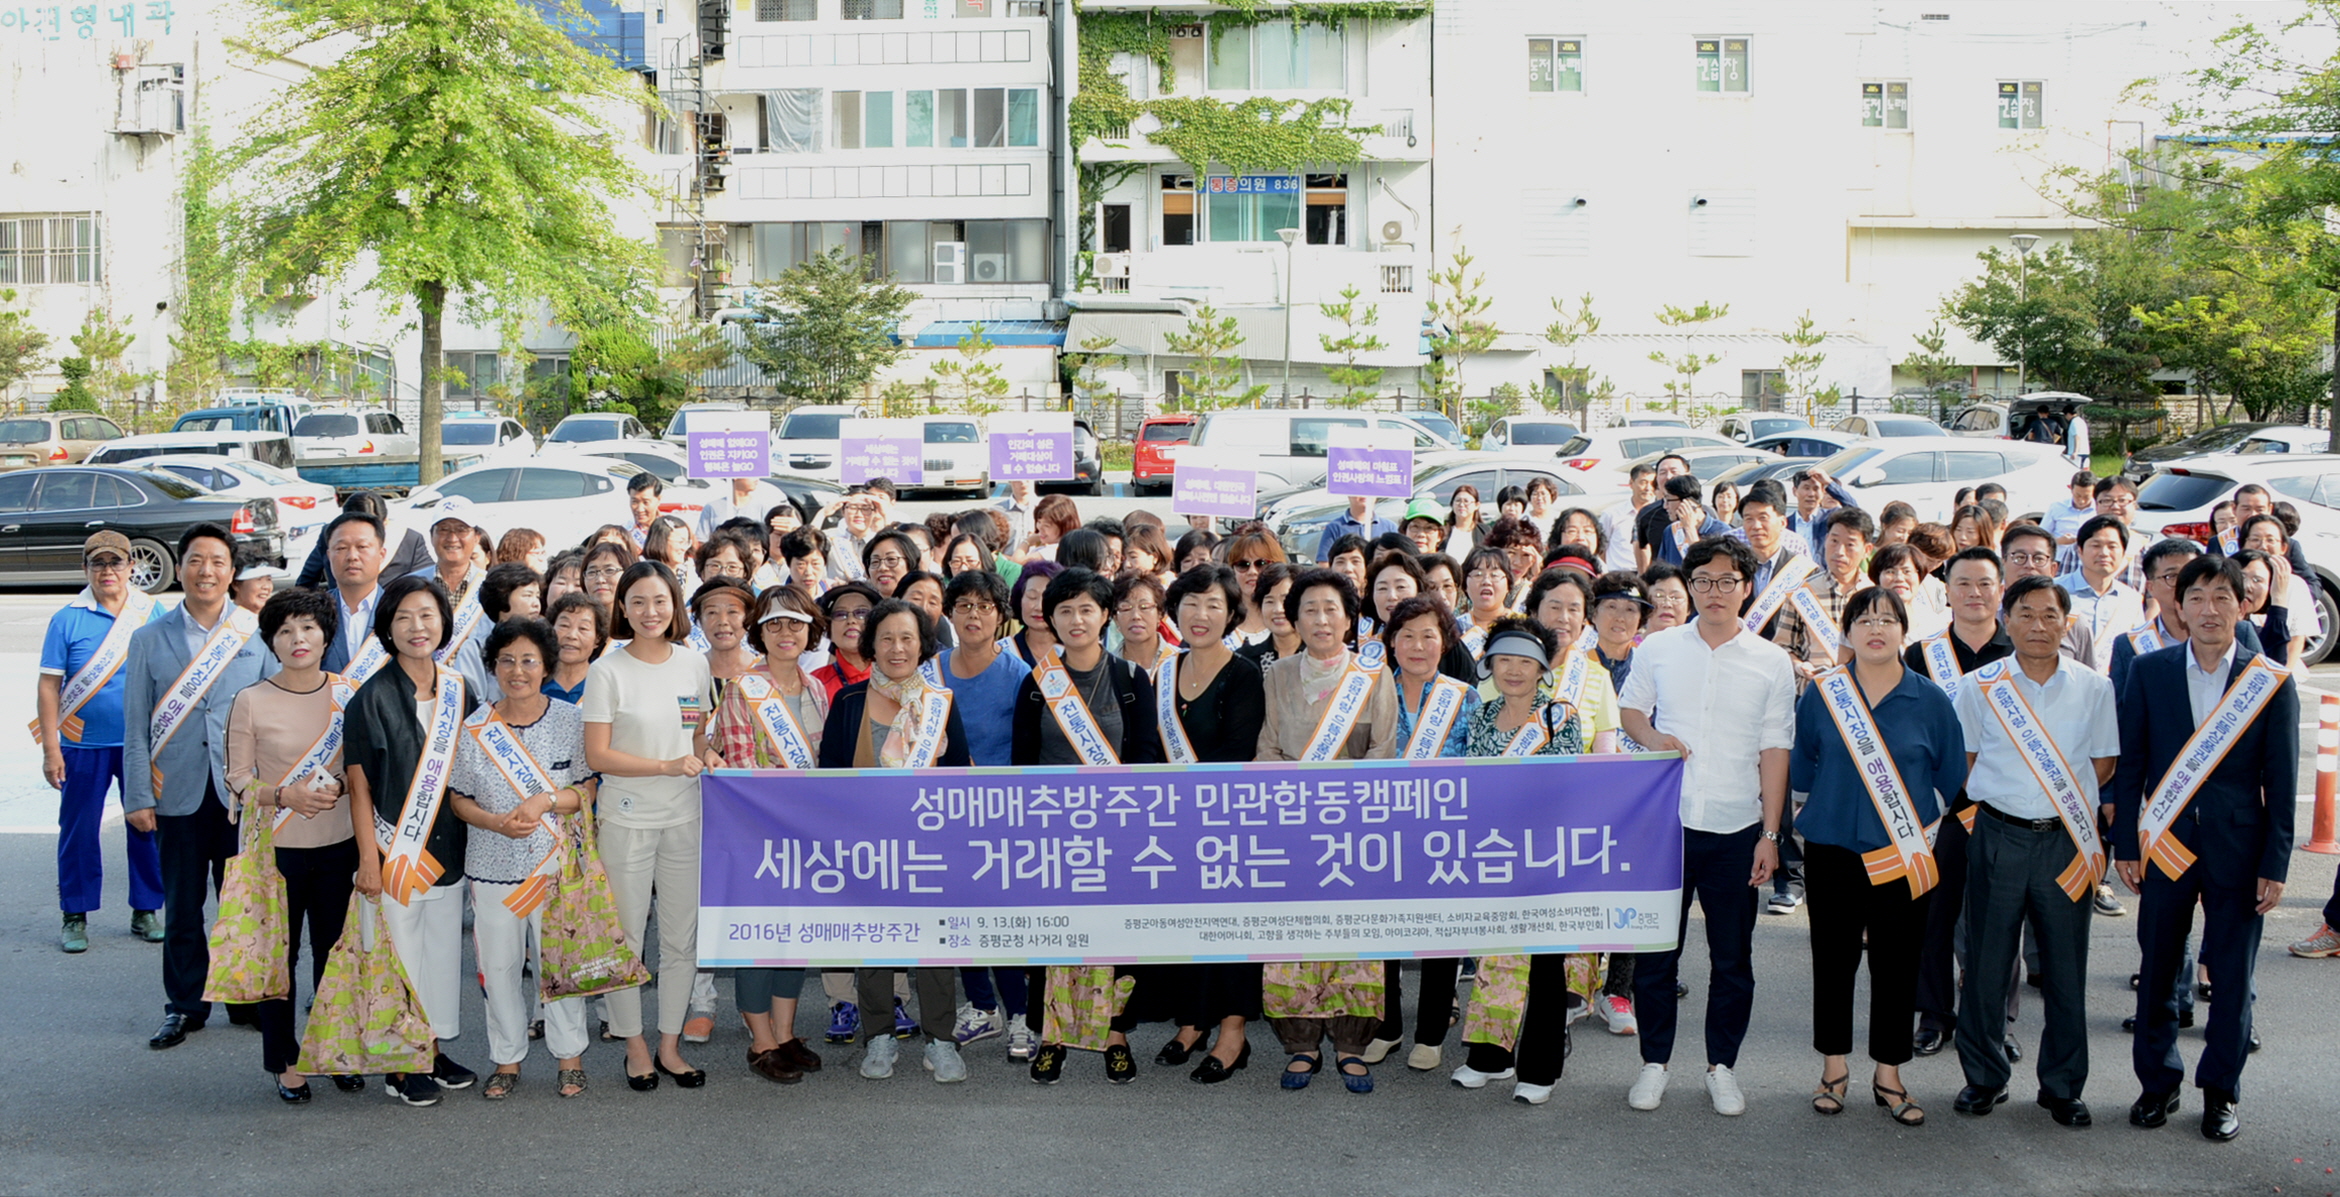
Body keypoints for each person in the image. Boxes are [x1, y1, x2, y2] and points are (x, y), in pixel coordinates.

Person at [2110, 555, 2296, 1142]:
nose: (2209, 609)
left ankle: (2220, 1092)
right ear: (2178, 605)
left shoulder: (2267, 680)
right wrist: (2125, 843)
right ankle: (2156, 1085)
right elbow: (2132, 763)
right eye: (2196, 597)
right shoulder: (2151, 671)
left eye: (2222, 597)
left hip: (2240, 848)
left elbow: (2283, 780)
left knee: (2233, 978)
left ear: (2244, 605)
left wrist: (2277, 861)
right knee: (2160, 967)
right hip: (2164, 843)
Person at [1617, 536, 1796, 1116]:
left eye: (1726, 581)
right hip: (1664, 826)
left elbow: (1775, 750)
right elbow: (1630, 710)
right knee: (1656, 957)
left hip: (1736, 827)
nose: (1714, 592)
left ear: (1747, 587)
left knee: (1731, 959)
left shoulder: (1771, 661)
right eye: (1703, 581)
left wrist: (1771, 835)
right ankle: (1654, 1063)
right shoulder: (1660, 648)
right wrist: (1652, 739)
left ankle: (1723, 1066)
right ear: (1687, 586)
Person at [1945, 575, 2121, 1128]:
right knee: (1987, 964)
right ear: (2007, 618)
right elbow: (1966, 761)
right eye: (2026, 614)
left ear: (2067, 623)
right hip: (1996, 836)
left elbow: (2103, 765)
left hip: (2065, 842)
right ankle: (1984, 1076)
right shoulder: (1980, 686)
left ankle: (2063, 1086)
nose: (2038, 625)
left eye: (2050, 615)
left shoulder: (2094, 687)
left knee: (2066, 969)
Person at [1790, 587, 1966, 1126]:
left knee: (1898, 962)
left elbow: (1953, 779)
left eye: (1888, 619)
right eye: (1864, 619)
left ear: (1903, 631)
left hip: (1903, 857)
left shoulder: (1930, 699)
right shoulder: (1824, 694)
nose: (1876, 628)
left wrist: (1921, 836)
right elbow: (1802, 769)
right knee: (1834, 959)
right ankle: (1833, 1068)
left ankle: (1889, 1074)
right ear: (1846, 631)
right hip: (1833, 851)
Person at [1008, 569, 1166, 1085]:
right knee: (1056, 936)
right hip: (1053, 834)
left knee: (1115, 937)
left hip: (1117, 832)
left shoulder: (1129, 678)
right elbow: (1023, 763)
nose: (1076, 620)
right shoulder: (1036, 684)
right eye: (1065, 610)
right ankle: (1052, 1034)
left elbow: (1144, 756)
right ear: (1050, 619)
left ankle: (1114, 1033)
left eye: (1087, 609)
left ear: (1105, 616)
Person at [123, 524, 276, 1050]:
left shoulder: (256, 634)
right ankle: (185, 1006)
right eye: (194, 560)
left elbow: (277, 711)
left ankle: (244, 998)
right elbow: (136, 724)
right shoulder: (148, 638)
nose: (205, 570)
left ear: (232, 573)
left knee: (242, 902)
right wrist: (138, 795)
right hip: (178, 794)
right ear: (181, 568)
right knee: (183, 906)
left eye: (216, 561)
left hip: (242, 795)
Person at [817, 599, 973, 1082]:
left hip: (929, 846)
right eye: (886, 638)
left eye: (907, 637)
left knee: (935, 946)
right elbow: (827, 779)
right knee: (874, 944)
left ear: (923, 645)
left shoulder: (941, 704)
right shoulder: (847, 703)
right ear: (871, 646)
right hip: (867, 847)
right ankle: (879, 1036)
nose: (897, 647)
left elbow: (962, 776)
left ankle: (941, 1040)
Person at [1255, 567, 1397, 1094]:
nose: (1320, 619)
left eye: (1331, 609)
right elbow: (1268, 744)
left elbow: (1384, 750)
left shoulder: (1371, 675)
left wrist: (1349, 802)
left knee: (1351, 933)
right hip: (1292, 824)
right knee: (1295, 932)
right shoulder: (1277, 674)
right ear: (1295, 617)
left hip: (1354, 825)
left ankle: (1351, 1042)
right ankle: (1301, 1043)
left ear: (1349, 618)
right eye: (1309, 609)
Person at [442, 617, 596, 1100]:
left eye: (528, 660)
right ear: (493, 667)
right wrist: (494, 822)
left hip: (554, 868)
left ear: (546, 665)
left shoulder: (571, 721)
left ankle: (569, 1058)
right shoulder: (475, 727)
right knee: (501, 968)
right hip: (492, 868)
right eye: (506, 660)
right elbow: (458, 798)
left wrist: (546, 802)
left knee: (558, 962)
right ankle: (506, 1059)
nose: (517, 670)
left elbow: (587, 788)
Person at [343, 574, 479, 1105]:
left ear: (443, 622)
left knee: (442, 957)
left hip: (447, 851)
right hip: (393, 855)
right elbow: (358, 789)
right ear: (387, 628)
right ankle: (401, 1062)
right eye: (403, 617)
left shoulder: (458, 690)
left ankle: (432, 1046)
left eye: (426, 615)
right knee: (398, 958)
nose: (416, 627)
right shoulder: (370, 699)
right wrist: (367, 862)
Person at [582, 561, 718, 1092]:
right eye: (637, 601)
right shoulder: (607, 670)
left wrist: (710, 757)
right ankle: (633, 1044)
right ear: (622, 608)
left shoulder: (693, 665)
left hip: (687, 815)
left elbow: (698, 737)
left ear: (675, 606)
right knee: (627, 938)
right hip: (627, 818)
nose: (649, 612)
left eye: (659, 601)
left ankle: (669, 1044)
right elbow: (599, 754)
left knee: (682, 940)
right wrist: (665, 766)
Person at [221, 588, 355, 1101]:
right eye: (284, 631)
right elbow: (235, 779)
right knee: (278, 957)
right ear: (271, 641)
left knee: (334, 955)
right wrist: (283, 794)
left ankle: (332, 1050)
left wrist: (338, 786)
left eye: (308, 628)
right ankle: (283, 1059)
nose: (298, 639)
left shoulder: (348, 693)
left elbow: (357, 766)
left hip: (338, 843)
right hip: (276, 851)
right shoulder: (250, 700)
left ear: (325, 635)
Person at [700, 586, 832, 1085]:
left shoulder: (816, 688)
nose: (785, 633)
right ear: (759, 631)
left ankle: (786, 1031)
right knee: (760, 936)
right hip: (758, 835)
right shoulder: (743, 688)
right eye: (774, 624)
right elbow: (739, 767)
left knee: (793, 937)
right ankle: (761, 1040)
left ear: (809, 630)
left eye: (795, 623)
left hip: (807, 835)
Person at [1149, 565, 1271, 1083]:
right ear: (1176, 608)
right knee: (1188, 926)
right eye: (1191, 603)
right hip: (1177, 826)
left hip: (1229, 825)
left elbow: (1238, 751)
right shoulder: (1163, 671)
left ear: (1231, 614)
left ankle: (1233, 1033)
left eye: (1214, 605)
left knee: (1231, 928)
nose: (1201, 615)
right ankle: (1193, 1020)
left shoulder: (1244, 674)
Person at [39, 531, 168, 953]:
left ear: (132, 567)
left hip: (140, 745)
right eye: (98, 564)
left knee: (146, 825)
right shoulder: (67, 618)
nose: (108, 571)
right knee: (78, 831)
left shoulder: (153, 611)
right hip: (82, 744)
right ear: (85, 569)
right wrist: (51, 749)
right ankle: (74, 913)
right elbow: (48, 686)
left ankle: (146, 908)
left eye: (116, 563)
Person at [930, 570, 1036, 1057]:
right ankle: (981, 1005)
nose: (974, 615)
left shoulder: (1018, 675)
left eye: (985, 606)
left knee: (1000, 916)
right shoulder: (931, 669)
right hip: (942, 814)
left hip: (1002, 814)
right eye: (964, 605)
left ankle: (1019, 1015)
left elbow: (1030, 749)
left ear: (1001, 616)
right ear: (950, 613)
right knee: (957, 912)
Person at [2055, 515, 2147, 672]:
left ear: (2124, 552)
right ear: (2080, 551)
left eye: (2112, 546)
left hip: (2111, 689)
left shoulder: (2131, 600)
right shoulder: (2054, 591)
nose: (2104, 553)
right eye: (2096, 545)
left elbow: (2136, 648)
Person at [294, 491, 429, 590]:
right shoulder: (331, 535)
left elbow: (428, 582)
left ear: (385, 522)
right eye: (342, 548)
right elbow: (307, 581)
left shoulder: (409, 540)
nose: (353, 556)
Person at [2239, 515, 2315, 671]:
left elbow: (2296, 639)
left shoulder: (2296, 585)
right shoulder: (2230, 578)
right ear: (2243, 544)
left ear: (2283, 547)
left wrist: (2285, 677)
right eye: (2255, 539)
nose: (2263, 546)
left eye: (2270, 540)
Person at [813, 581, 882, 700]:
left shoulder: (896, 676)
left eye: (861, 613)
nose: (851, 620)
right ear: (830, 629)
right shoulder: (815, 684)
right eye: (840, 614)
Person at [1869, 544, 1950, 640]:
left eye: (1906, 571)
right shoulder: (1863, 616)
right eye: (1890, 571)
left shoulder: (1933, 622)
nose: (1899, 578)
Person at [1223, 529, 1288, 647]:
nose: (1252, 572)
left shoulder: (1291, 620)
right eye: (1243, 565)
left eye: (1261, 564)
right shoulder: (1221, 621)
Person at [1650, 475, 1729, 568]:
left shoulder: (1722, 532)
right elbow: (1661, 569)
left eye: (1668, 500)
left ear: (1687, 502)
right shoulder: (1670, 531)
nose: (1665, 506)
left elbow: (1709, 568)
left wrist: (1690, 529)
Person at [1236, 564, 1300, 672]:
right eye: (1269, 601)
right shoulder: (1245, 660)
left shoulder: (1319, 654)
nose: (1278, 609)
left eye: (1285, 600)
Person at [1110, 572, 1174, 675]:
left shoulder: (1179, 660)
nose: (1136, 616)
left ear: (1160, 614)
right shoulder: (1106, 668)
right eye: (1126, 608)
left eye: (1144, 607)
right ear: (1115, 618)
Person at [695, 474, 790, 542]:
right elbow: (702, 540)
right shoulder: (712, 507)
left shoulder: (763, 507)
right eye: (752, 474)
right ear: (735, 476)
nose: (757, 479)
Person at [1599, 466, 1656, 572]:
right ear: (1631, 483)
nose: (1648, 488)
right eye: (1643, 482)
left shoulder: (1660, 515)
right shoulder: (1612, 514)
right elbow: (1600, 549)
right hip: (1619, 576)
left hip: (1650, 576)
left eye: (1653, 483)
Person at [1316, 493, 1398, 563]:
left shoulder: (1390, 527)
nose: (1364, 493)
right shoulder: (1334, 527)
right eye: (1359, 489)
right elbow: (1324, 562)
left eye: (1369, 489)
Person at [2045, 471, 2096, 548]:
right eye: (2077, 495)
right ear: (2071, 489)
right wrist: (2059, 541)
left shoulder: (2099, 510)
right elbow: (2040, 537)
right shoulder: (2057, 507)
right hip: (2059, 558)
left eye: (2086, 497)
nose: (2082, 501)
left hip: (2088, 558)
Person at [1642, 562, 1691, 636]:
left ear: (1689, 608)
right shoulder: (1629, 646)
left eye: (1675, 597)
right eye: (1659, 596)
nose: (1667, 604)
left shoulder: (1698, 646)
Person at [1447, 484, 1488, 559]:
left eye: (1466, 501)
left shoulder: (1484, 532)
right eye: (1458, 501)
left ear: (1477, 505)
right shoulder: (1444, 531)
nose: (1462, 504)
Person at [625, 473, 662, 546]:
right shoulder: (623, 532)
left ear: (658, 500)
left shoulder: (672, 530)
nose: (640, 509)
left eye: (646, 502)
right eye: (634, 502)